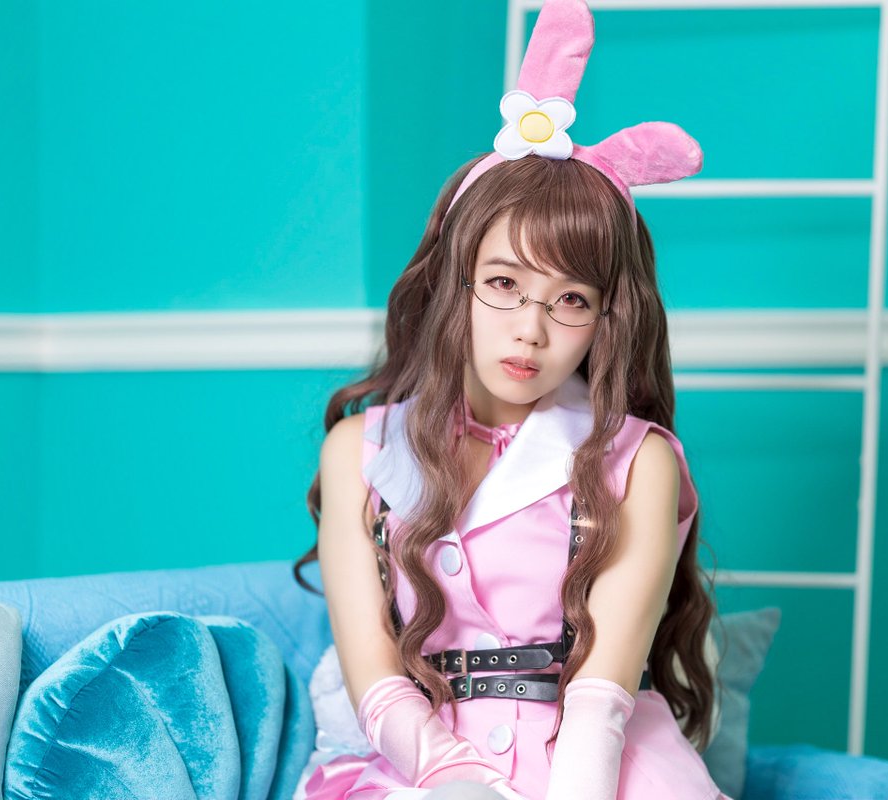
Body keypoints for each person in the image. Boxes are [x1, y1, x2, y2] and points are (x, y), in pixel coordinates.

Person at [295, 1, 728, 798]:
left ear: (607, 317)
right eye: (502, 283)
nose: (531, 329)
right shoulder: (360, 450)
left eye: (571, 300)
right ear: (449, 280)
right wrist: (454, 779)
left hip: (599, 764)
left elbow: (601, 697)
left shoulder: (640, 461)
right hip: (422, 766)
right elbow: (376, 681)